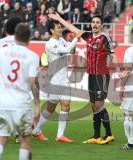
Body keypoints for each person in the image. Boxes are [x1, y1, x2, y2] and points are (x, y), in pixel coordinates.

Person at [48, 13, 117, 144]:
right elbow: (73, 29)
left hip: (101, 75)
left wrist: (122, 70)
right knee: (93, 106)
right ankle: (96, 136)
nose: (95, 24)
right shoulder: (88, 36)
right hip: (91, 75)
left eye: (97, 22)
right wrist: (59, 19)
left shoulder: (104, 38)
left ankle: (109, 134)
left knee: (99, 105)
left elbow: (113, 55)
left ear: (101, 25)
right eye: (93, 22)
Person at [0, 23, 40, 160]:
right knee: (24, 140)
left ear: (15, 37)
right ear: (29, 38)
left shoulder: (3, 51)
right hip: (22, 105)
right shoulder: (33, 56)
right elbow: (33, 83)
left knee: (0, 140)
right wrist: (38, 105)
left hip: (4, 103)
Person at [33, 19, 83, 143]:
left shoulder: (61, 40)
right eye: (58, 27)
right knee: (50, 107)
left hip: (64, 79)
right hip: (54, 79)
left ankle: (60, 135)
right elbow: (66, 51)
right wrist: (76, 38)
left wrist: (73, 41)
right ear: (51, 30)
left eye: (61, 27)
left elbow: (69, 51)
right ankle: (37, 130)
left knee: (66, 105)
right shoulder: (50, 44)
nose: (60, 29)